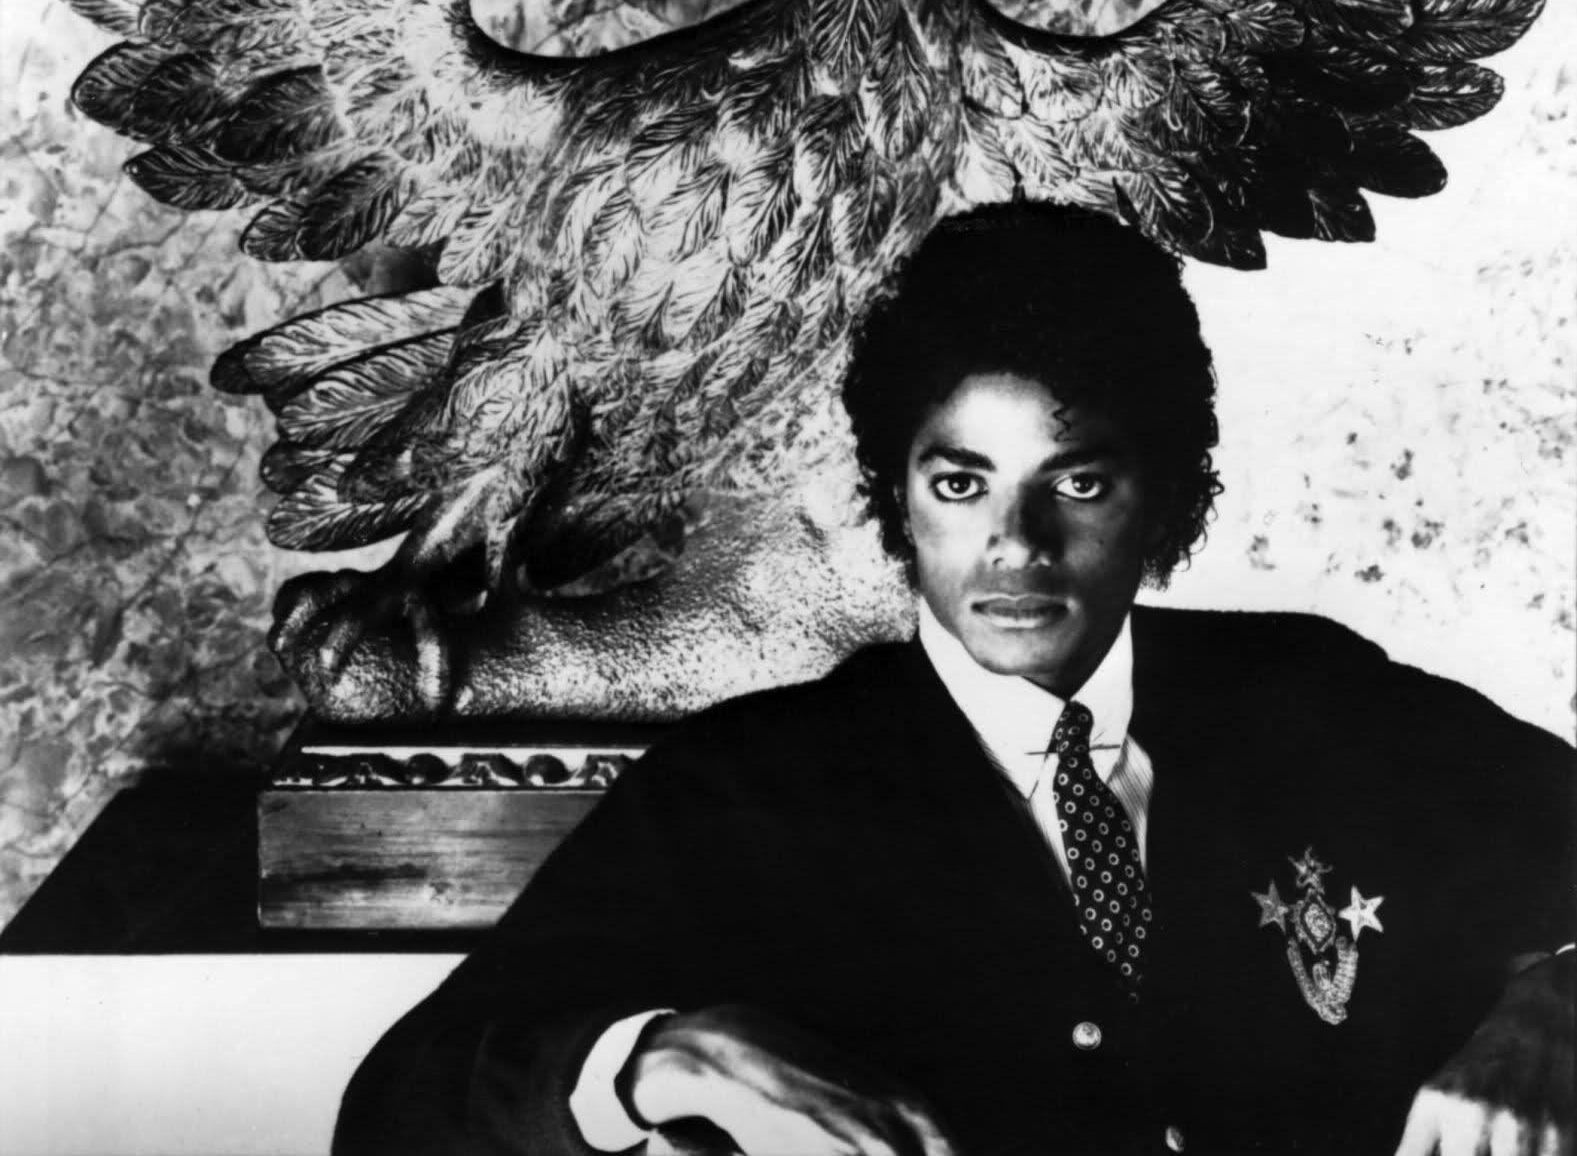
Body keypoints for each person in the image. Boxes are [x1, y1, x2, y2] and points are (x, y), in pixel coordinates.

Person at [335, 203, 1573, 1156]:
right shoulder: (748, 787)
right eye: (960, 482)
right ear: (897, 500)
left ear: (1162, 500)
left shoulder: (1313, 697)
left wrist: (1552, 1009)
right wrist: (661, 1056)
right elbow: (402, 1109)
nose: (1015, 545)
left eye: (1075, 482)